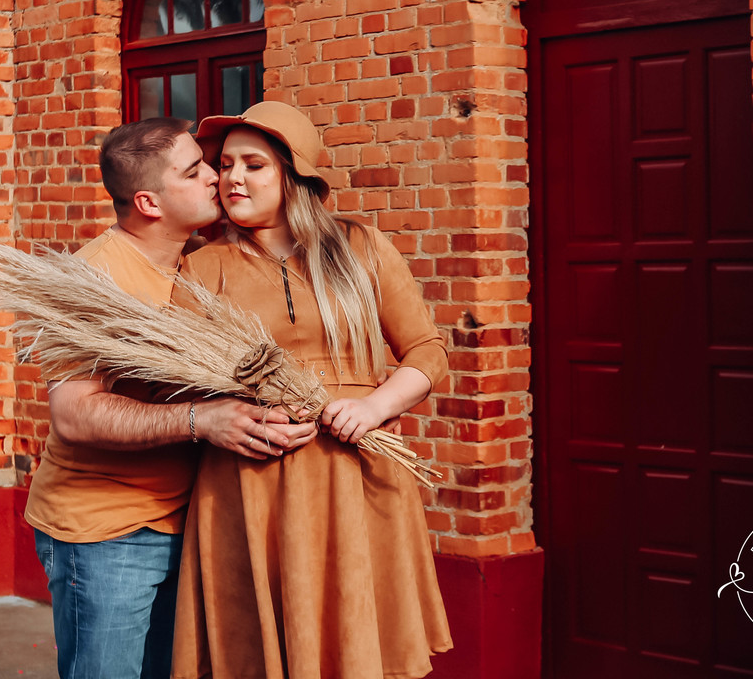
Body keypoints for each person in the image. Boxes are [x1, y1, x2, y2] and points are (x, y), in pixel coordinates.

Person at [24, 117, 318, 679]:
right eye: (193, 171)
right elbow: (74, 415)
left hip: (190, 520)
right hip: (107, 532)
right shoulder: (91, 281)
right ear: (149, 202)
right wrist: (203, 421)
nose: (214, 177)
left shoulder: (197, 263)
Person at [171, 102, 453, 679]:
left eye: (253, 165)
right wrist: (229, 414)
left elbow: (428, 351)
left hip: (356, 477)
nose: (232, 178)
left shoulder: (361, 247)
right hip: (253, 486)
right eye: (225, 165)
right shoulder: (201, 268)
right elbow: (179, 386)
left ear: (294, 174)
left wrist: (375, 406)